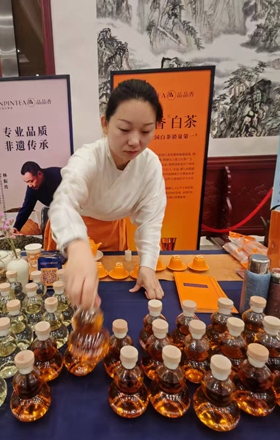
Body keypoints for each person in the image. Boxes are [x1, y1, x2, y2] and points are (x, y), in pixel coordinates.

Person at [49, 79, 166, 309]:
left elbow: (151, 220)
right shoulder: (88, 158)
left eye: (146, 131)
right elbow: (64, 204)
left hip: (112, 233)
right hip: (72, 232)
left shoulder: (150, 164)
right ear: (105, 124)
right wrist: (77, 247)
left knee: (114, 290)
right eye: (124, 129)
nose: (135, 141)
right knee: (66, 296)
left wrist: (147, 265)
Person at [13, 162, 62, 233]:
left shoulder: (58, 174)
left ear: (39, 174)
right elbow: (27, 207)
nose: (30, 185)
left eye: (31, 181)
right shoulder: (32, 188)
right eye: (27, 182)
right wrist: (16, 227)